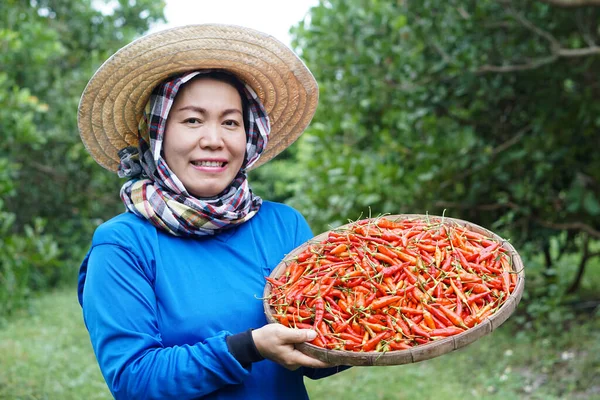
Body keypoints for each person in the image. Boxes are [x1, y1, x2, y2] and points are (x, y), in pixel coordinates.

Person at [76, 24, 347, 399]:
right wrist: (249, 347)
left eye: (231, 122)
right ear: (157, 136)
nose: (214, 140)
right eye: (192, 120)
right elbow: (133, 380)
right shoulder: (123, 244)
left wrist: (363, 325)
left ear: (249, 136)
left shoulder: (284, 225)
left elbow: (314, 349)